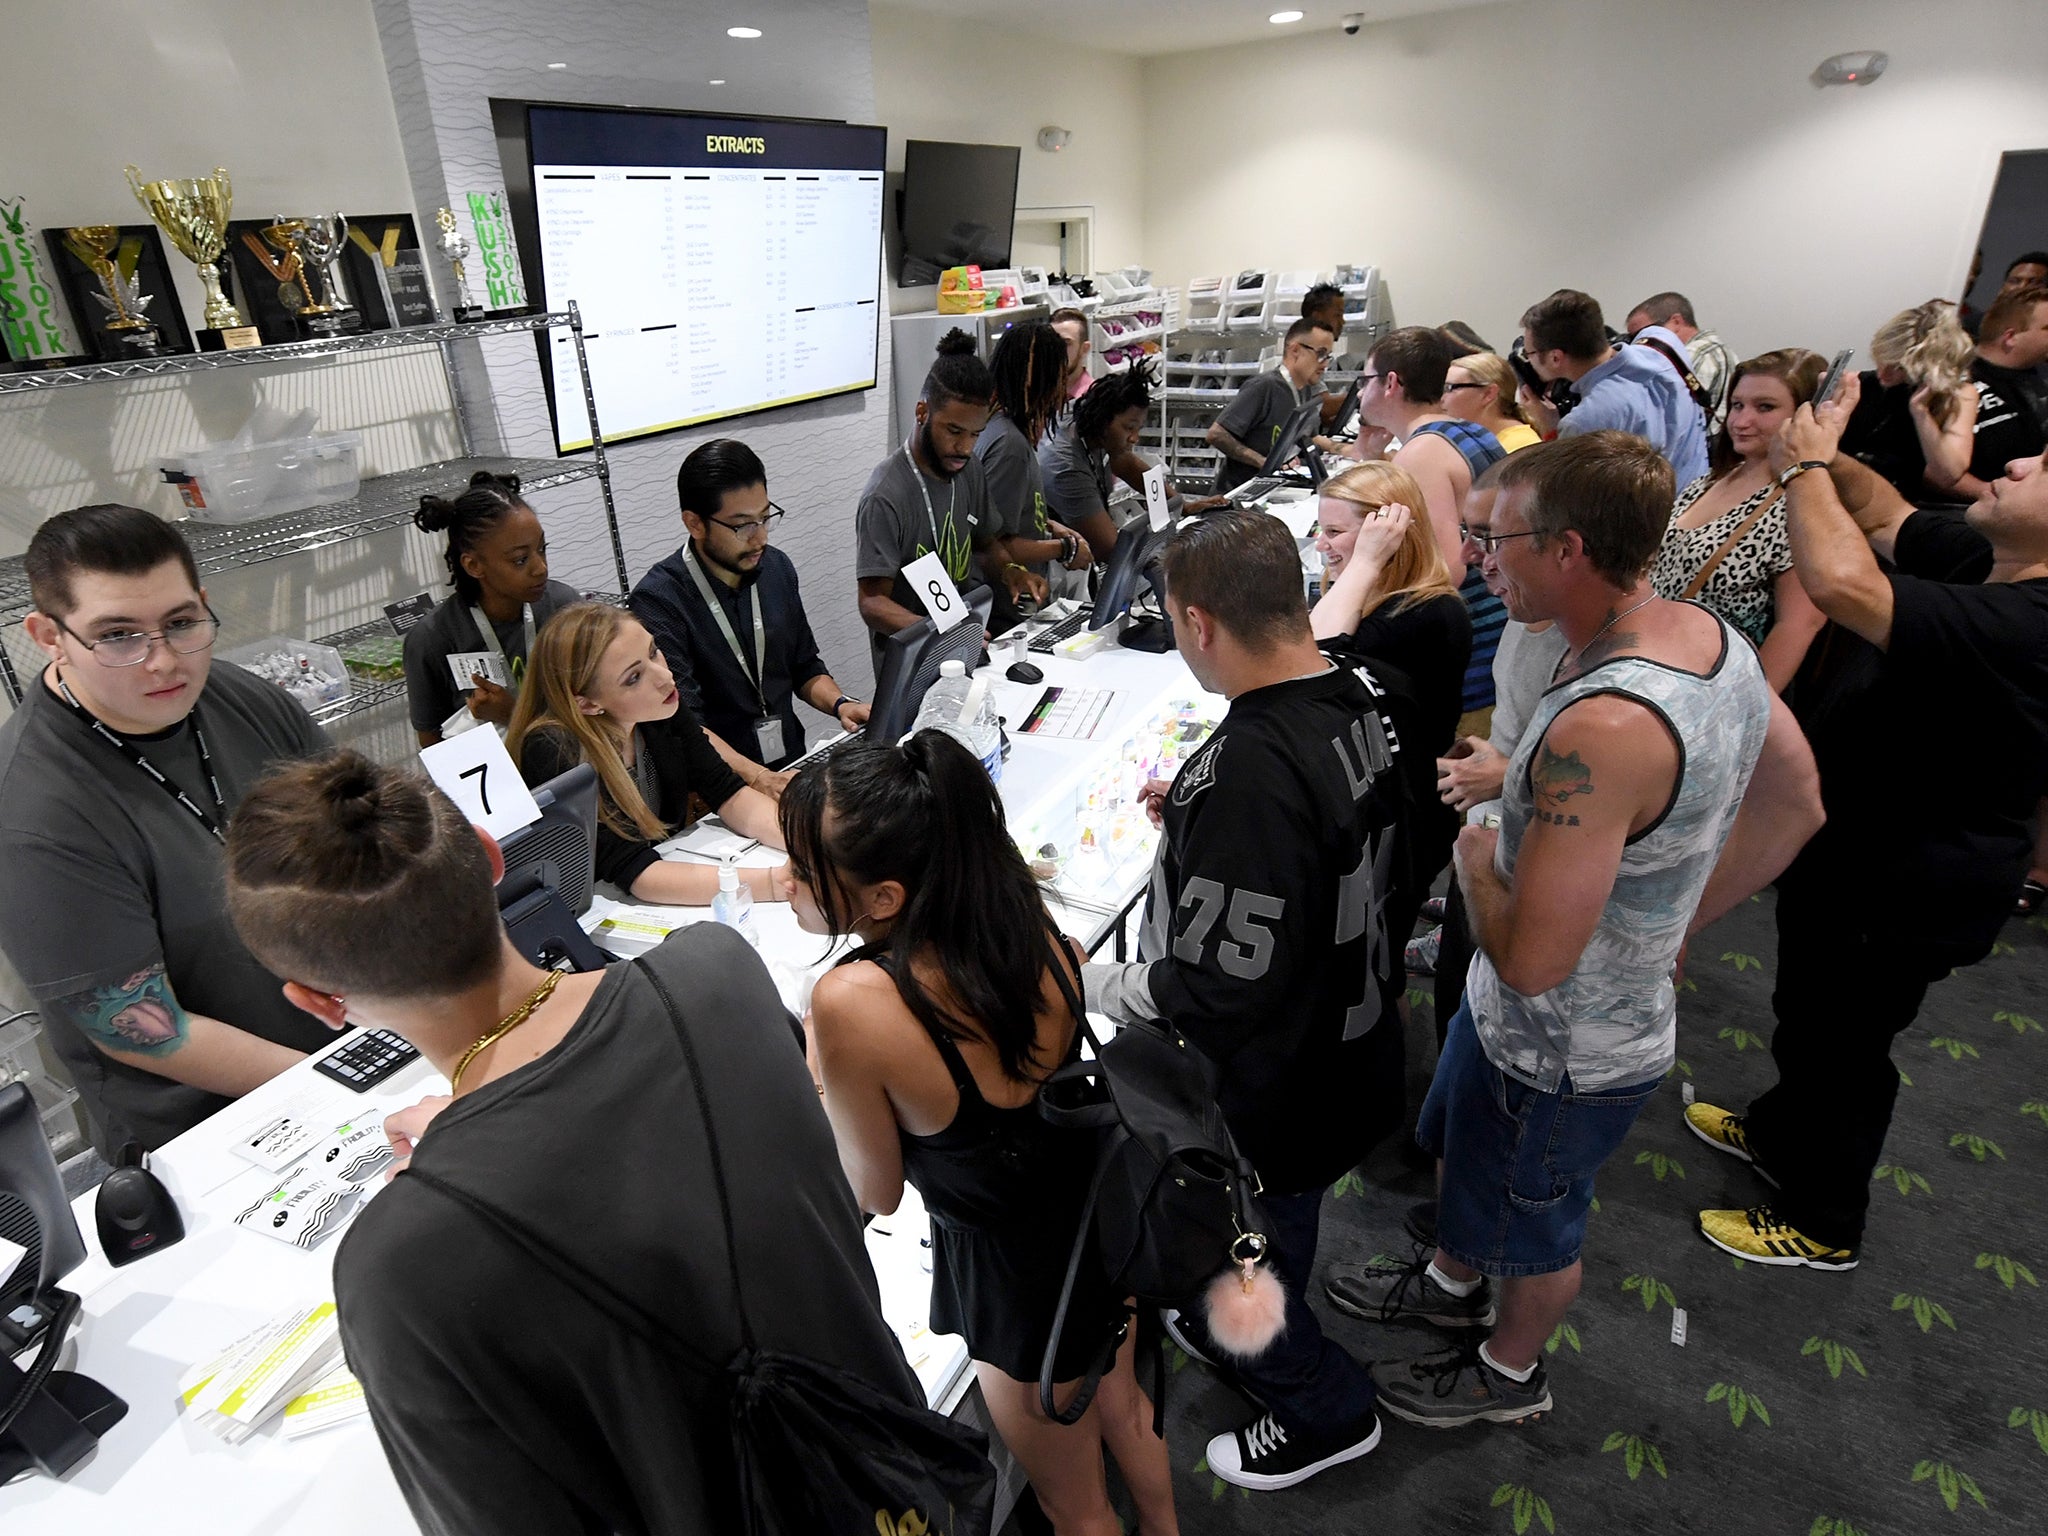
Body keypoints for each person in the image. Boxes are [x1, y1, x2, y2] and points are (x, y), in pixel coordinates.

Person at [222, 751, 920, 1533]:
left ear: (320, 1003)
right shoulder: (719, 971)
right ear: (493, 858)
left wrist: (452, 1183)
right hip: (898, 1464)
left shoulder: (396, 1266)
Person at [1325, 431, 1818, 1428]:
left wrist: (1472, 850)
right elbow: (1794, 803)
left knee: (1536, 1221)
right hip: (1550, 1015)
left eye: (1497, 539)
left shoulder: (1601, 723)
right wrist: (1681, 917)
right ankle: (1451, 1281)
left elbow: (1535, 959)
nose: (1479, 561)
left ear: (1570, 548)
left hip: (1562, 1041)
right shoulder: (1706, 638)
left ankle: (1505, 1374)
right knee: (1475, 1162)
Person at [1082, 509, 1411, 1492]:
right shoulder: (1356, 689)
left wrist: (1083, 974)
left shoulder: (1250, 777)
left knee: (1237, 1277)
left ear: (1194, 622)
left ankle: (1325, 1408)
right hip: (1350, 1043)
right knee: (1280, 1233)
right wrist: (1198, 817)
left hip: (1276, 1094)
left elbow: (1212, 995)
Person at [1688, 379, 2048, 1269]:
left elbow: (1844, 580)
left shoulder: (2031, 621)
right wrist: (1822, 448)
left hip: (1912, 879)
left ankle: (1823, 1218)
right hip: (1859, 847)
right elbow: (1885, 515)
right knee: (1806, 1009)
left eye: (2044, 468)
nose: (2017, 460)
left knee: (1843, 1043)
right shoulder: (1989, 561)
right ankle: (1779, 1130)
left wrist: (1803, 465)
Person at [787, 732, 1179, 1536]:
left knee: (1076, 1507)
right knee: (1128, 1411)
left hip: (1018, 1280)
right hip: (1096, 1217)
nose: (785, 884)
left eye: (802, 871)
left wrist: (825, 1080)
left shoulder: (853, 1003)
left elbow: (875, 1190)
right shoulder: (1013, 913)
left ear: (884, 897)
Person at [0, 505, 334, 1155]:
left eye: (181, 624)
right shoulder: (34, 812)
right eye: (118, 635)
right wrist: (332, 1082)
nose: (163, 663)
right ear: (48, 635)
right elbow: (138, 1027)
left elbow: (351, 841)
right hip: (207, 1130)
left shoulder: (242, 699)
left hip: (337, 1046)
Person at [508, 602, 788, 905]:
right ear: (587, 704)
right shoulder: (553, 749)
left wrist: (809, 844)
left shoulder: (661, 707)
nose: (664, 677)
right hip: (596, 912)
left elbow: (728, 793)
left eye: (653, 651)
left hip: (655, 880)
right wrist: (777, 883)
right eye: (633, 678)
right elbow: (635, 871)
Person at [630, 439, 867, 777]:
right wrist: (760, 781)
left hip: (790, 765)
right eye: (742, 526)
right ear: (694, 523)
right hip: (717, 788)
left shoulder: (777, 569)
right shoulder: (659, 601)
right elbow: (686, 725)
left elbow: (804, 667)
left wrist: (842, 704)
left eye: (765, 518)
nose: (760, 538)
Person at [1309, 462, 1472, 891]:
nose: (1319, 543)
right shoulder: (1369, 597)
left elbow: (1315, 661)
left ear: (1386, 533)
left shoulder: (1426, 614)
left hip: (1403, 823)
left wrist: (1364, 561)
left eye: (1333, 531)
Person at [1353, 325, 1507, 731]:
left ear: (1390, 383)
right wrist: (1372, 460)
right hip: (1496, 628)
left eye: (1364, 380)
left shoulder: (1420, 454)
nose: (1358, 392)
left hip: (1472, 651)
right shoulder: (1462, 430)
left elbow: (1446, 569)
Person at [856, 330, 1042, 661]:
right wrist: (936, 631)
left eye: (975, 434)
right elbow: (872, 602)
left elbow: (987, 543)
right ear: (922, 412)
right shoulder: (885, 494)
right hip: (914, 663)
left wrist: (1011, 569)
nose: (965, 448)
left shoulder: (967, 471)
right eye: (954, 431)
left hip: (965, 648)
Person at [1650, 349, 1830, 690]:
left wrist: (1746, 713)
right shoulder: (1713, 479)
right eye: (1737, 405)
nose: (1741, 421)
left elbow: (1800, 624)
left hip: (1712, 683)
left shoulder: (1800, 502)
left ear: (1805, 416)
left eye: (1765, 407)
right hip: (1659, 663)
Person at [402, 471, 581, 747]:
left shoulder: (565, 608)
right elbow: (434, 747)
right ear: (473, 566)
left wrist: (512, 714)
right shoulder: (432, 640)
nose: (540, 568)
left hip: (573, 769)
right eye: (520, 560)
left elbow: (596, 711)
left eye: (542, 549)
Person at [1520, 289, 1709, 486]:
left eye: (1529, 353)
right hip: (1702, 491)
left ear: (1555, 358)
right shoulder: (1661, 339)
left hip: (1663, 513)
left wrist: (1549, 429)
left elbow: (1567, 493)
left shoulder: (1584, 422)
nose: (1528, 360)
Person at [1041, 361, 1222, 562]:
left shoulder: (1089, 421)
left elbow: (1125, 463)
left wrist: (1181, 505)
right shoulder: (1068, 469)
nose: (1135, 438)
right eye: (1129, 428)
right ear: (1102, 420)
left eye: (1138, 429)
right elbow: (1110, 550)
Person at [974, 319, 1095, 596]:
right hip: (1007, 604)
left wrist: (1050, 528)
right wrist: (1065, 549)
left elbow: (1012, 517)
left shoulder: (1003, 428)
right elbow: (993, 543)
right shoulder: (1010, 446)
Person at [1837, 299, 1977, 503]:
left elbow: (1948, 475)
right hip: (1841, 491)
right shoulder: (1860, 383)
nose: (1883, 372)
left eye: (1899, 367)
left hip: (1894, 504)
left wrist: (1920, 412)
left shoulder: (1957, 396)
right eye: (1882, 358)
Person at [1933, 283, 2048, 500]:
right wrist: (1998, 497)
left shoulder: (2040, 378)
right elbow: (1931, 468)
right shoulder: (1950, 382)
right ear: (2010, 337)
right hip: (1972, 514)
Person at [1206, 317, 1334, 495]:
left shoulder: (1304, 390)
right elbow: (1216, 434)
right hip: (1239, 493)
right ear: (1295, 350)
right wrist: (1263, 462)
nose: (1325, 363)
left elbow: (1308, 437)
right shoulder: (1264, 386)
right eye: (1321, 354)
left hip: (1271, 486)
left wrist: (1342, 448)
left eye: (1328, 356)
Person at [1625, 291, 1738, 435]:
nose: (1637, 342)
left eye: (1642, 333)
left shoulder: (1691, 354)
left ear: (1676, 322)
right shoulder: (1721, 350)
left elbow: (1670, 417)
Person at [1442, 352, 1541, 453]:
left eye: (1449, 388)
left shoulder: (1521, 445)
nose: (1441, 398)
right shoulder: (1482, 440)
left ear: (1488, 393)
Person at [1050, 305, 1094, 403]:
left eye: (1066, 343)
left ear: (1084, 349)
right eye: (1052, 342)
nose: (1056, 349)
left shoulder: (1094, 399)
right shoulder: (1038, 394)